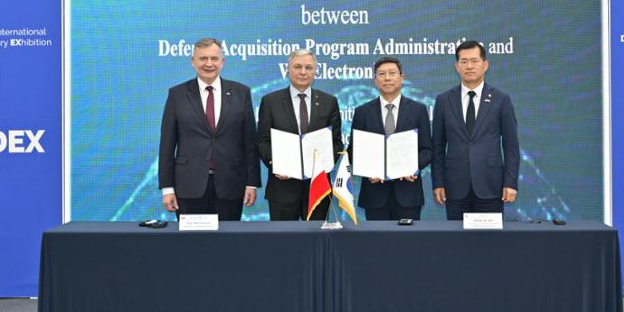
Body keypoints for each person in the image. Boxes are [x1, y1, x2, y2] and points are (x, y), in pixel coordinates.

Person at [158, 38, 260, 220]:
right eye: (203, 58)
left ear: (222, 61)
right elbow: (167, 144)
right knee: (192, 245)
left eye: (214, 58)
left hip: (231, 185)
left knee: (227, 244)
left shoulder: (241, 92)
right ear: (193, 61)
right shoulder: (177, 94)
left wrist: (251, 183)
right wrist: (167, 188)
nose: (209, 63)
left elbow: (250, 142)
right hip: (188, 186)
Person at [431, 41, 520, 219]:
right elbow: (438, 146)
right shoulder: (444, 100)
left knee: (489, 243)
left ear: (485, 65)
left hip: (491, 185)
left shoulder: (501, 99)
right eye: (463, 62)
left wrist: (511, 183)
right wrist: (438, 183)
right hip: (455, 187)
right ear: (457, 66)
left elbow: (511, 146)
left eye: (474, 61)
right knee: (456, 242)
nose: (469, 66)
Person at [257, 49, 343, 221]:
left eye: (308, 67)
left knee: (317, 242)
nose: (303, 72)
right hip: (282, 188)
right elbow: (262, 141)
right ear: (287, 69)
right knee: (283, 242)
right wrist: (276, 164)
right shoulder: (270, 101)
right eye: (297, 67)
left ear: (315, 71)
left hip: (317, 187)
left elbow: (336, 143)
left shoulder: (329, 102)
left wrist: (322, 164)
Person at [347, 56, 432, 220]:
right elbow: (353, 151)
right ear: (375, 80)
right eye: (382, 74)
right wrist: (369, 170)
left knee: (407, 244)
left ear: (401, 77)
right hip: (374, 194)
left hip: (408, 194)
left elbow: (427, 150)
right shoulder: (362, 112)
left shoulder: (418, 110)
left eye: (392, 73)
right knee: (377, 244)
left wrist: (412, 166)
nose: (387, 78)